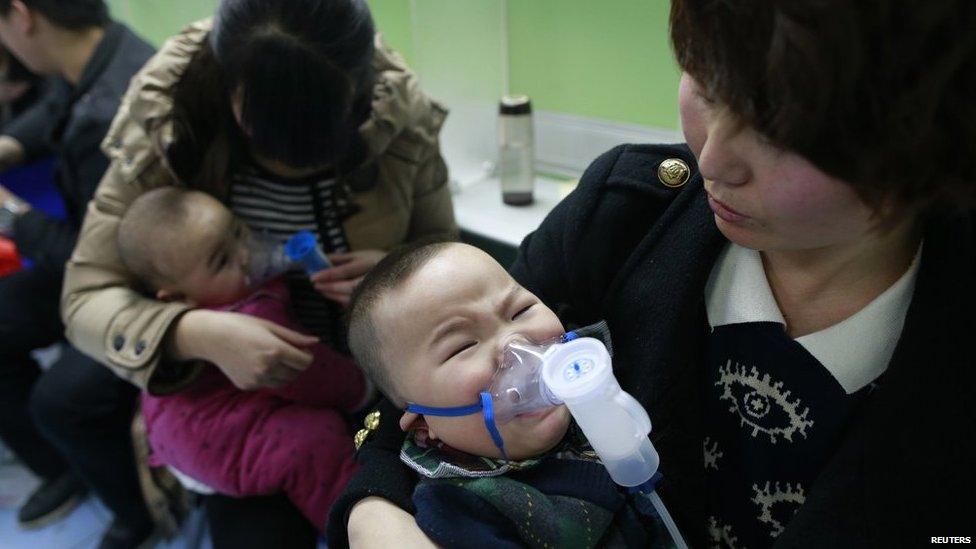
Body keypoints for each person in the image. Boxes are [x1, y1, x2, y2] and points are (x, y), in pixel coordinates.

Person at [330, 1, 976, 547]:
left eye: (783, 133)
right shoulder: (625, 218)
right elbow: (419, 386)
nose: (715, 157)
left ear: (926, 147)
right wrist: (374, 510)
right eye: (705, 84)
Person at [60, 0, 456, 544]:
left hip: (376, 373)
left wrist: (397, 275)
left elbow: (443, 248)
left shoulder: (398, 116)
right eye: (272, 147)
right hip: (245, 402)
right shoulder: (167, 117)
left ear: (359, 103)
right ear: (233, 101)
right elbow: (86, 297)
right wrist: (192, 332)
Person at [345, 240, 680, 547]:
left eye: (520, 311)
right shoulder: (463, 515)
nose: (515, 344)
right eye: (462, 346)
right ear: (423, 423)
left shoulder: (598, 384)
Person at [118, 187, 366, 532]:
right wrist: (364, 387)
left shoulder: (183, 310)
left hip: (173, 429)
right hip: (219, 443)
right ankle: (357, 528)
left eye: (238, 230)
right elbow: (315, 376)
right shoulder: (254, 315)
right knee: (318, 440)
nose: (246, 253)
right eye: (222, 260)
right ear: (178, 297)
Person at [0, 0, 155, 543]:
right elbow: (54, 110)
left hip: (140, 283)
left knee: (62, 401)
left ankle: (136, 513)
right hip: (100, 258)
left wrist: (9, 214)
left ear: (21, 16)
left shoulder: (110, 111)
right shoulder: (101, 50)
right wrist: (10, 146)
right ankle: (68, 468)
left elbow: (96, 255)